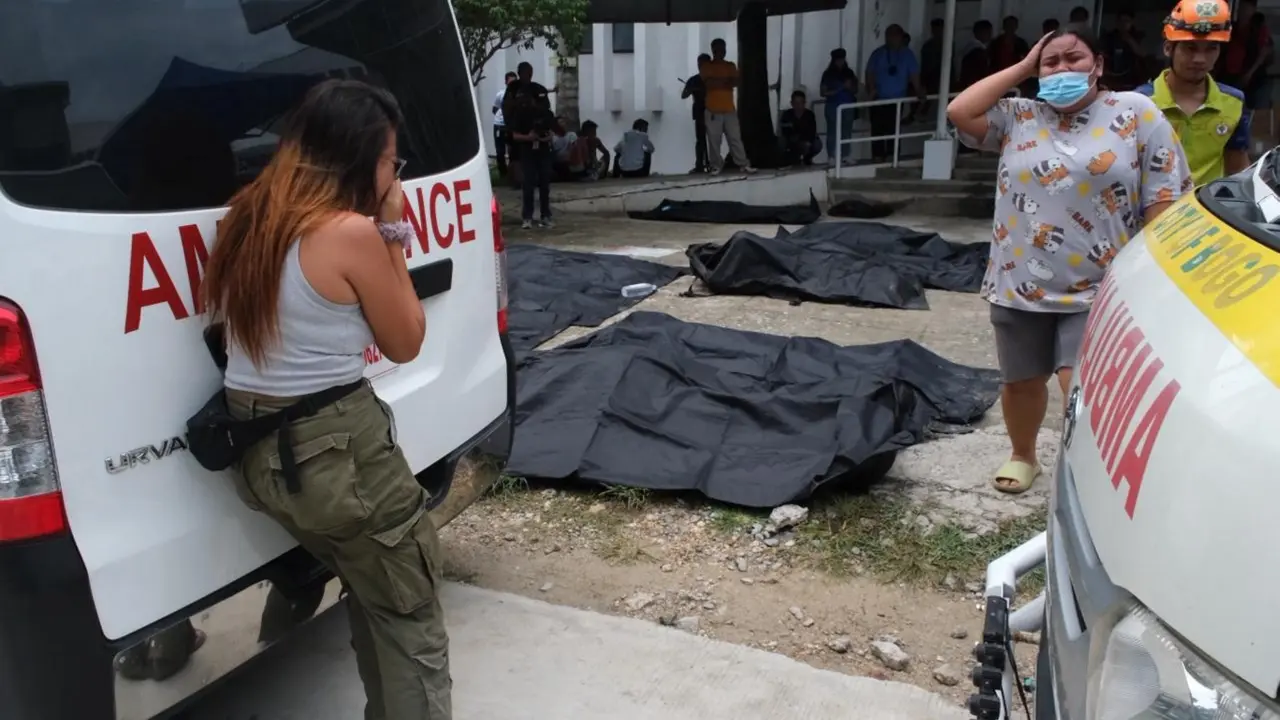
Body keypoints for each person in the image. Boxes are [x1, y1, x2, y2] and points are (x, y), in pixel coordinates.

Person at [203, 80, 451, 718]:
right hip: (338, 453)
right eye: (391, 161)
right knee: (409, 613)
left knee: (375, 588)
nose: (395, 175)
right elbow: (406, 341)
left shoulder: (246, 218)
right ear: (355, 157)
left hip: (259, 452)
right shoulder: (349, 233)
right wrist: (392, 230)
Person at [946, 28, 1191, 495]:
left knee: (1079, 384)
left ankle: (1084, 475)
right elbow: (960, 112)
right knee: (1020, 381)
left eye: (1073, 58)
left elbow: (1162, 194)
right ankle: (1023, 455)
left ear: (1097, 64)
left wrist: (1157, 275)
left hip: (1101, 285)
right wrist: (1023, 67)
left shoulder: (1135, 112)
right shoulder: (1019, 115)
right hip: (1019, 281)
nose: (1061, 69)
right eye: (1050, 62)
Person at [1137, 0, 1250, 185]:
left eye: (1211, 48)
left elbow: (1238, 168)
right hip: (1154, 203)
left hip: (1208, 202)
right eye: (1190, 48)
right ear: (1168, 48)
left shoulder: (1233, 102)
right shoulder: (1140, 102)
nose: (1200, 59)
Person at [1216, 0, 1274, 147]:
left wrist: (1250, 73)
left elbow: (1265, 51)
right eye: (1241, 8)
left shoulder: (1258, 29)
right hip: (1229, 74)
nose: (1243, 11)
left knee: (1252, 109)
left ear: (1252, 9)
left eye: (1246, 8)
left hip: (1252, 76)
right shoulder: (1233, 27)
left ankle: (1255, 142)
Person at [866, 24, 926, 163]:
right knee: (877, 129)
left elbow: (914, 74)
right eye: (888, 36)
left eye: (893, 36)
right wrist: (871, 89)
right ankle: (878, 156)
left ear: (900, 37)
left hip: (897, 100)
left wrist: (919, 91)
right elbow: (870, 73)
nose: (890, 39)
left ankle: (892, 156)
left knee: (893, 129)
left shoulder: (907, 55)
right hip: (878, 99)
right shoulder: (878, 53)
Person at [506, 62, 555, 228]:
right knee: (528, 183)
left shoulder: (543, 107)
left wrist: (546, 137)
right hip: (527, 148)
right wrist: (529, 137)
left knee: (544, 182)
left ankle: (545, 215)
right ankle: (527, 217)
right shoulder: (518, 105)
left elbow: (551, 127)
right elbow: (514, 134)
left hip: (543, 148)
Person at [702, 38, 757, 175]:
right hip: (713, 109)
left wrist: (719, 81)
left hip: (729, 109)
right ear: (713, 50)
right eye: (719, 48)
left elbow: (736, 82)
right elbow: (709, 84)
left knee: (735, 138)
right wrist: (726, 81)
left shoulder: (730, 65)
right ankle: (716, 165)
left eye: (723, 48)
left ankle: (743, 164)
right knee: (714, 140)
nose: (722, 51)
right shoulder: (707, 66)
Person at [819, 48, 858, 164]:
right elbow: (823, 92)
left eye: (842, 59)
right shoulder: (828, 74)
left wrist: (850, 87)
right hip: (832, 105)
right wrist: (840, 88)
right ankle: (831, 156)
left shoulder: (849, 73)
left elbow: (855, 90)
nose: (840, 62)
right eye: (838, 60)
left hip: (848, 105)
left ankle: (845, 155)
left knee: (847, 131)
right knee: (832, 131)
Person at [1102, 11, 1148, 91]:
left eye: (1127, 21)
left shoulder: (1138, 36)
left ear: (1132, 22)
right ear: (1117, 22)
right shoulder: (1110, 36)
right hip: (1112, 76)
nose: (1123, 24)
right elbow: (1103, 53)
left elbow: (1143, 53)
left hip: (1131, 77)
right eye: (1121, 21)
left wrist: (1129, 40)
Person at [681, 54, 711, 173]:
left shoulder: (713, 79)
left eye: (703, 64)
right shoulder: (694, 80)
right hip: (699, 112)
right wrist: (690, 90)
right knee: (700, 139)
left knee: (713, 139)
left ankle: (712, 163)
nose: (700, 67)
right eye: (699, 64)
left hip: (712, 111)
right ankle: (700, 164)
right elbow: (684, 95)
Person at [779, 90, 821, 165]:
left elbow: (812, 131)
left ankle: (807, 158)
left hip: (805, 141)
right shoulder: (786, 115)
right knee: (781, 141)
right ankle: (788, 160)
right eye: (796, 103)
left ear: (804, 103)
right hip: (791, 141)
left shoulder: (809, 115)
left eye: (800, 102)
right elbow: (785, 132)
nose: (798, 105)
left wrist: (804, 140)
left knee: (817, 144)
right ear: (791, 103)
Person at [492, 71, 516, 176]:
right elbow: (494, 108)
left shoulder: (518, 95)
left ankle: (513, 172)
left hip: (511, 126)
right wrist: (502, 117)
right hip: (499, 125)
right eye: (510, 82)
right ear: (506, 82)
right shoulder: (500, 94)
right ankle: (503, 173)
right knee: (500, 151)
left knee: (513, 150)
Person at [959, 21, 995, 90]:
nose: (990, 35)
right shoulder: (977, 51)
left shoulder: (970, 48)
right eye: (988, 32)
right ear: (979, 32)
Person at [920, 18, 948, 101]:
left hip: (944, 80)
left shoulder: (948, 44)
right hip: (931, 80)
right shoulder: (928, 46)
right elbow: (925, 66)